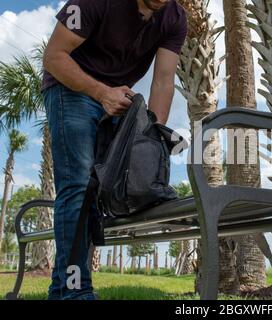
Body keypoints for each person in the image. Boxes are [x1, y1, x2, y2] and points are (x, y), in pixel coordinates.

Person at [42, 0, 187, 300]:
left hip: (117, 99)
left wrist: (149, 140)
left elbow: (162, 81)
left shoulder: (174, 17)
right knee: (79, 187)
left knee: (98, 192)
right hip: (71, 88)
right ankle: (76, 292)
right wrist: (101, 93)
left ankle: (61, 290)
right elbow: (54, 57)